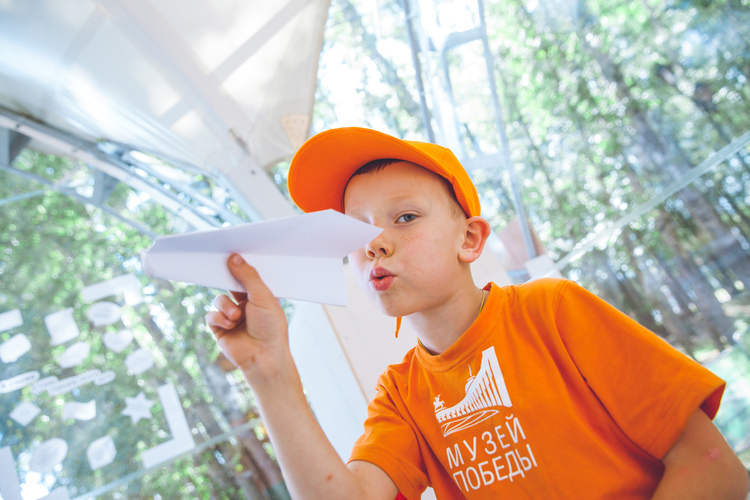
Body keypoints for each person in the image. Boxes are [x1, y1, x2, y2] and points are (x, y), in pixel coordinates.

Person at [206, 127, 749, 499]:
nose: (374, 243)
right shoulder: (401, 396)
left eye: (405, 217)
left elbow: (714, 469)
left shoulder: (553, 309)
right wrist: (268, 372)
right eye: (357, 229)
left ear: (469, 239)